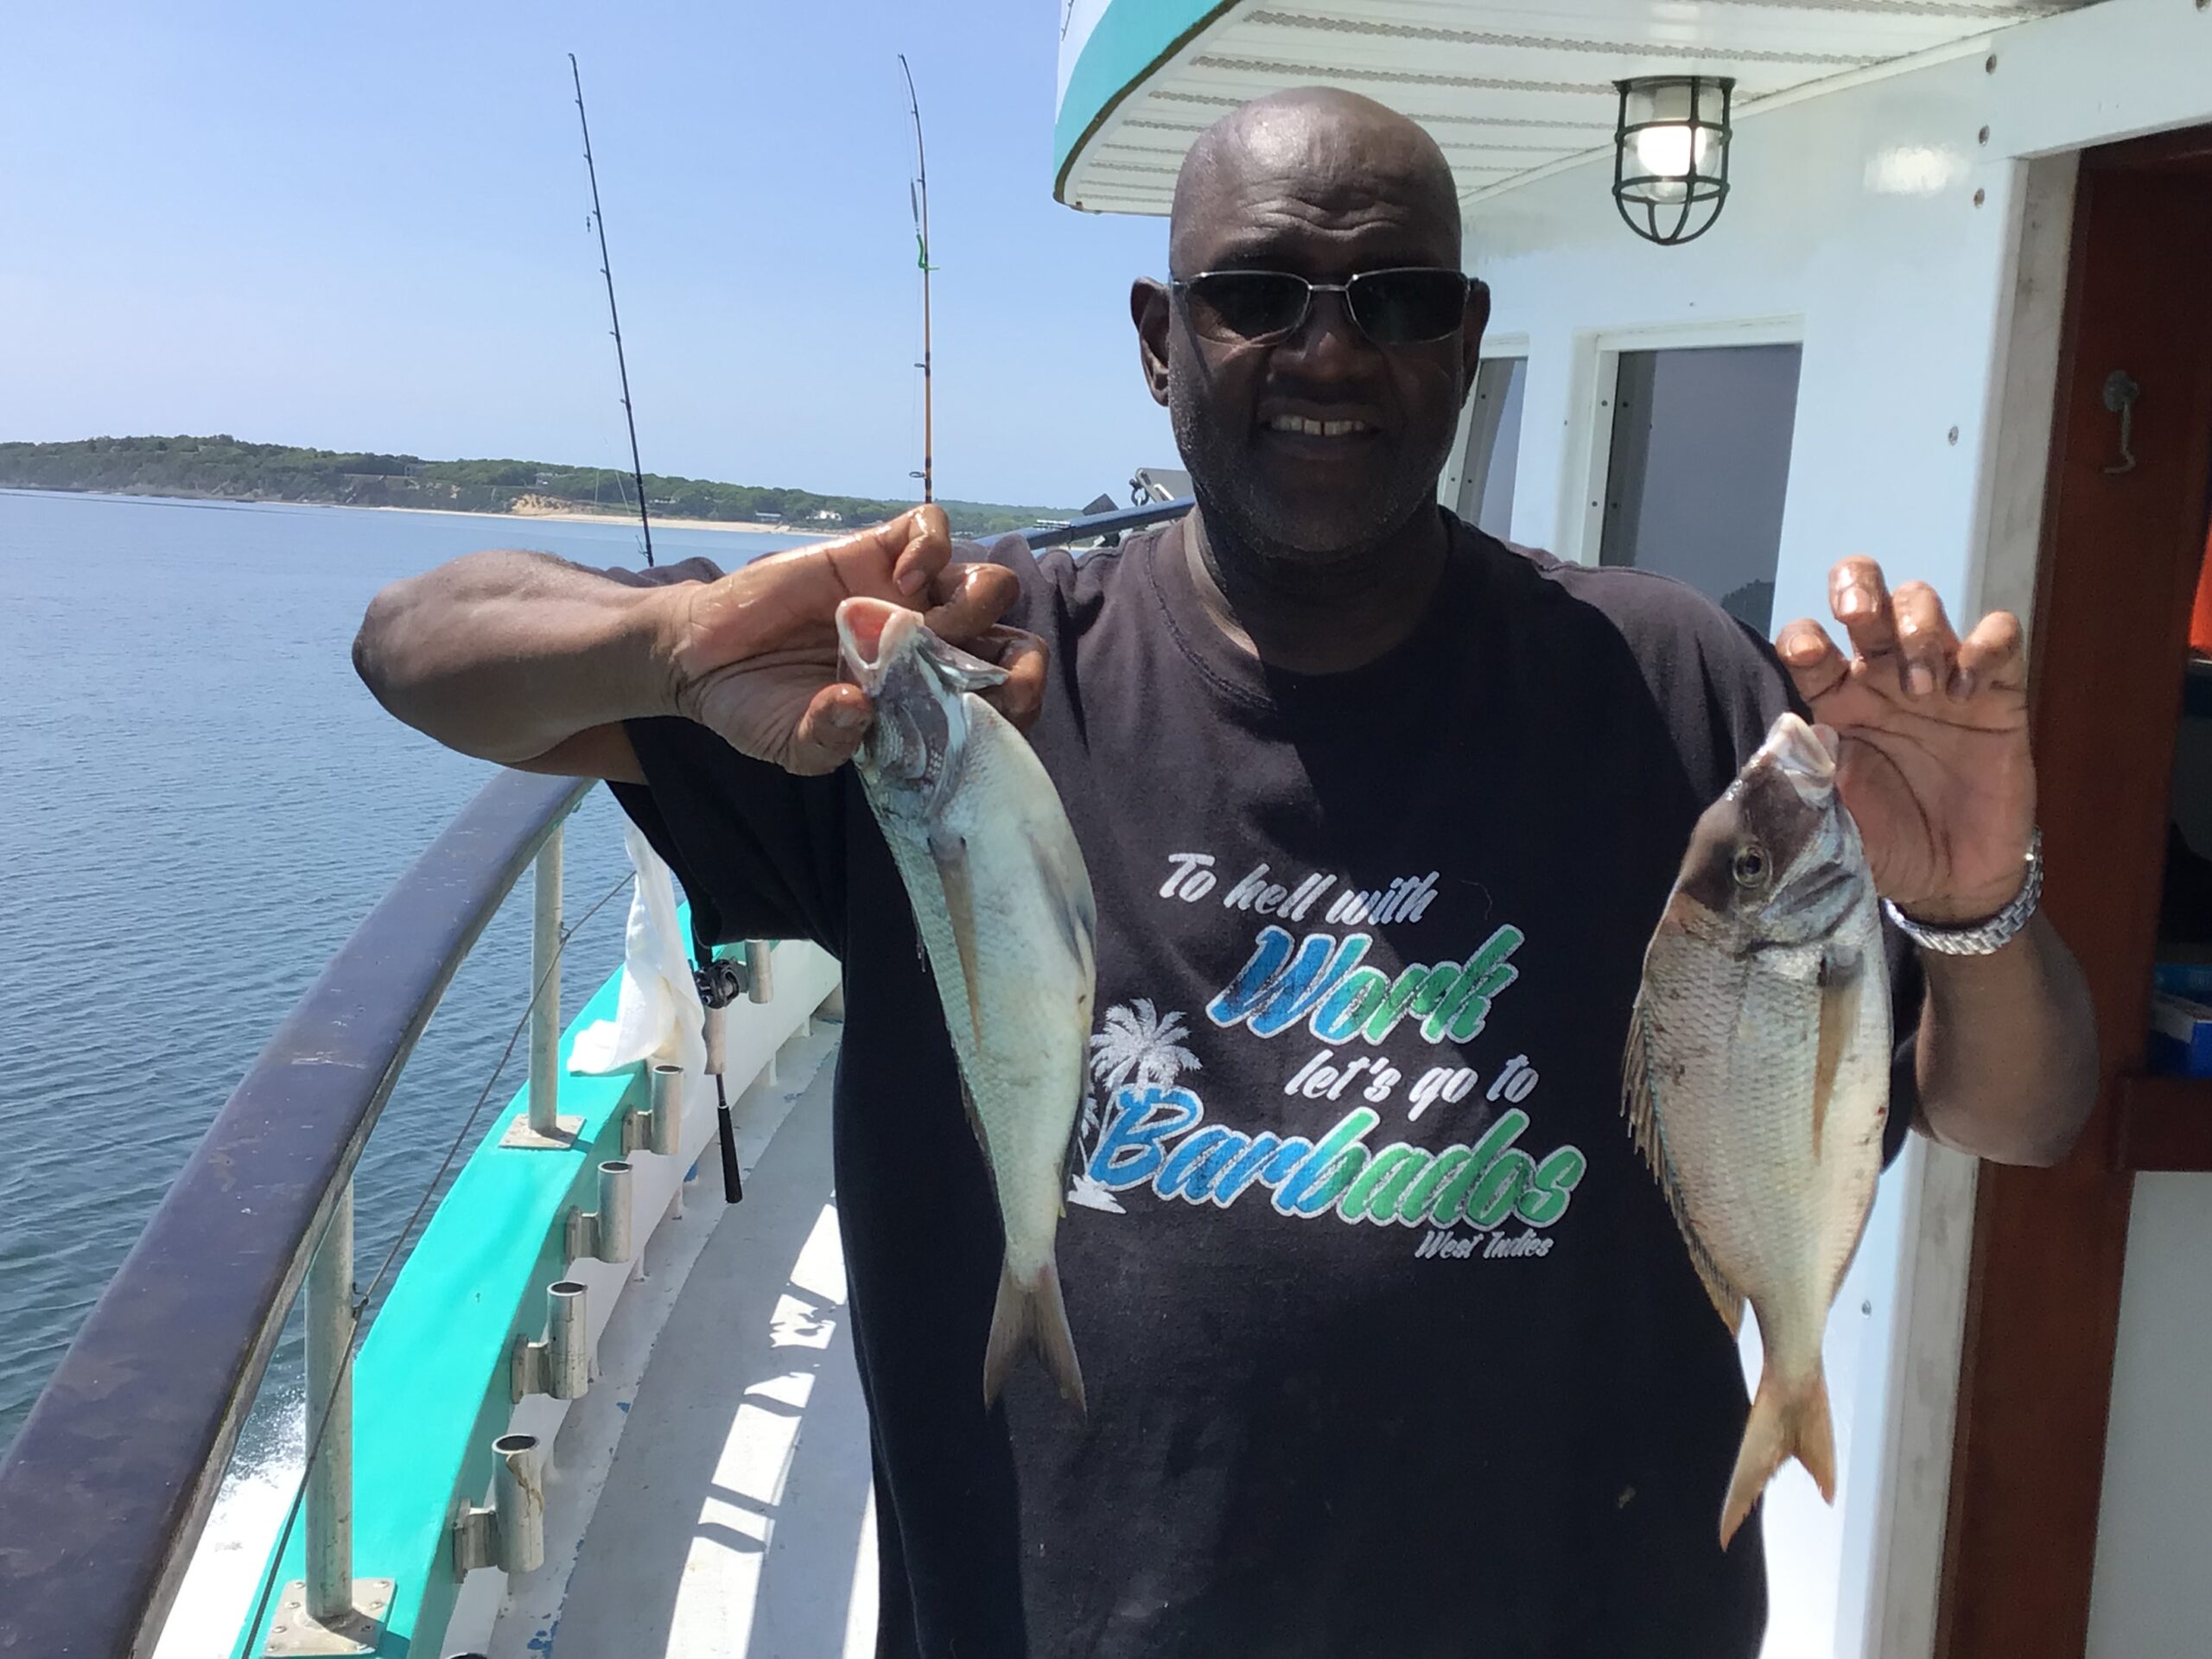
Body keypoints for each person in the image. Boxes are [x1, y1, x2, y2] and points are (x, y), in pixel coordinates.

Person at [354, 86, 2097, 1659]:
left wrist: (1970, 905)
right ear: (1157, 339)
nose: (1326, 351)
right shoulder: (961, 694)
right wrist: (675, 650)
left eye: (1393, 301)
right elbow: (416, 644)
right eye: (1256, 293)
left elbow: (2018, 1112)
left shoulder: (1668, 681)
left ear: (1465, 341)